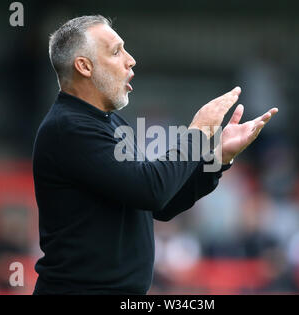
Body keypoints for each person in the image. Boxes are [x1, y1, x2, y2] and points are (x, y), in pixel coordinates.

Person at [32, 15, 278, 295]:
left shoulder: (110, 122)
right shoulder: (68, 127)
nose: (130, 59)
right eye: (116, 51)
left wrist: (217, 158)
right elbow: (152, 190)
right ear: (84, 66)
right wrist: (197, 133)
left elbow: (160, 204)